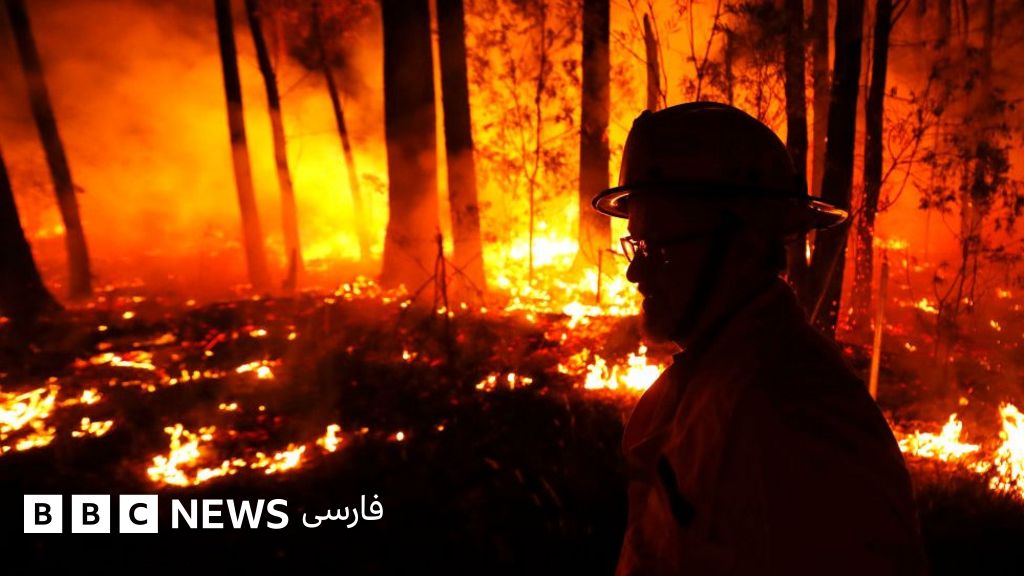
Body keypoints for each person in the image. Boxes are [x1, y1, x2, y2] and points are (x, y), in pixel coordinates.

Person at [591, 102, 927, 575]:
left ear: (745, 244)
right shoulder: (713, 377)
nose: (634, 272)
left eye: (659, 247)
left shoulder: (797, 414)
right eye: (637, 244)